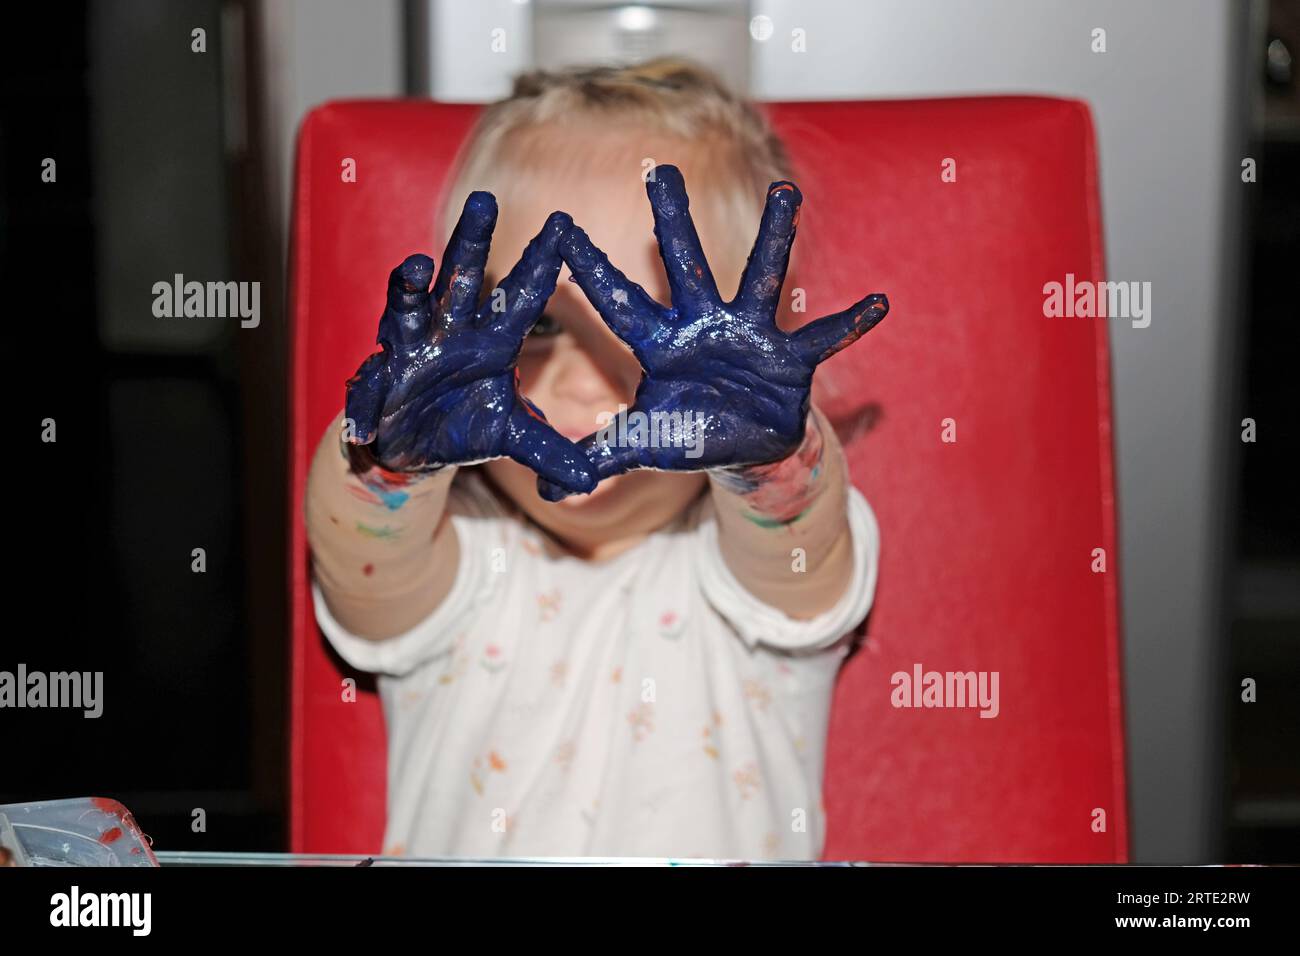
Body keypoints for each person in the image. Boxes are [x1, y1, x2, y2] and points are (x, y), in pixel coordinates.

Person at [305, 58, 889, 860]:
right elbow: (359, 557)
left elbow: (800, 548)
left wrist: (767, 458)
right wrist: (395, 456)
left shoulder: (746, 577)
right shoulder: (458, 563)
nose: (582, 385)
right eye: (536, 328)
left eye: (653, 339)